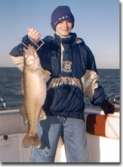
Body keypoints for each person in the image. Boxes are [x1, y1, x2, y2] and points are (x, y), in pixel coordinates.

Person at [10, 5, 115, 162]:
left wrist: (102, 101)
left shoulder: (83, 49)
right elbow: (17, 57)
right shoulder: (43, 45)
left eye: (68, 21)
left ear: (72, 23)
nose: (65, 25)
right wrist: (28, 41)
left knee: (80, 160)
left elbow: (90, 80)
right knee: (42, 159)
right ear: (54, 24)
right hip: (48, 113)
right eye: (60, 21)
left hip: (75, 115)